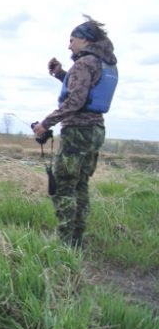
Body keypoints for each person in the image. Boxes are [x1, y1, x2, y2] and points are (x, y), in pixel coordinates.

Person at [32, 16, 118, 248]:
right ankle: (77, 239)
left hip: (78, 132)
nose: (69, 46)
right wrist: (61, 74)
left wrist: (45, 123)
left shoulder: (83, 63)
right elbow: (86, 90)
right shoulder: (104, 63)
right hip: (96, 131)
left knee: (64, 186)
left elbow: (75, 101)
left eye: (72, 40)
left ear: (84, 40)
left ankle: (64, 243)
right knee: (80, 184)